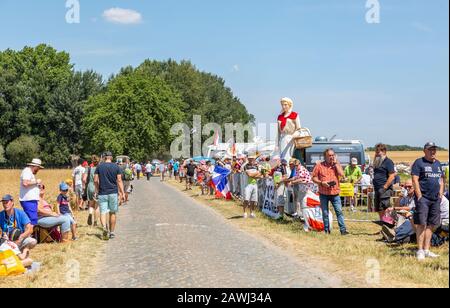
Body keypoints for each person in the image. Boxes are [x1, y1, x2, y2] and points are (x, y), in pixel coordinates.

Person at [411, 142, 445, 261]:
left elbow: (441, 179)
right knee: (421, 224)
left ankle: (426, 249)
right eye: (430, 150)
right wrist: (419, 196)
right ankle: (420, 250)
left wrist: (441, 193)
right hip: (423, 198)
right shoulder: (419, 163)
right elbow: (414, 180)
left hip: (435, 199)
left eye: (434, 149)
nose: (433, 152)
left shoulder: (438, 164)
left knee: (431, 225)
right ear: (424, 150)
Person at [312, 149, 348, 235]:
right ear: (325, 156)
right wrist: (321, 183)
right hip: (323, 193)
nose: (332, 157)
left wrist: (336, 164)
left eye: (333, 155)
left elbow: (342, 175)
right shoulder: (319, 165)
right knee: (325, 213)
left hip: (335, 193)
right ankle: (326, 231)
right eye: (330, 155)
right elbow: (313, 177)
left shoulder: (336, 164)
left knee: (339, 211)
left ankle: (343, 230)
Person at [94, 152, 125, 240]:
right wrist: (122, 192)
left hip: (102, 193)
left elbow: (95, 180)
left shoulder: (99, 166)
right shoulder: (116, 166)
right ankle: (111, 233)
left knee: (103, 212)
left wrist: (97, 190)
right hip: (113, 193)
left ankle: (104, 227)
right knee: (112, 212)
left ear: (104, 158)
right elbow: (119, 180)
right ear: (111, 157)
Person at [277, 97, 302, 172]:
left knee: (289, 157)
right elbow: (278, 132)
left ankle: (290, 174)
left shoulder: (294, 115)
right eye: (282, 105)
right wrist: (277, 143)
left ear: (289, 105)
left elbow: (299, 129)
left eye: (285, 105)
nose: (284, 106)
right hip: (282, 138)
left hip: (291, 138)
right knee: (283, 158)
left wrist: (292, 137)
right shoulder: (280, 116)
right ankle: (285, 173)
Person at [372, 144, 397, 220]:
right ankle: (382, 225)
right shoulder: (377, 162)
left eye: (378, 152)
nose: (376, 154)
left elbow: (392, 176)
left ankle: (388, 226)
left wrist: (385, 187)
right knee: (379, 208)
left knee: (385, 208)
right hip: (377, 188)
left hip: (384, 189)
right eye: (376, 152)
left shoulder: (388, 162)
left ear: (384, 152)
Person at [19, 158, 44, 226]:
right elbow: (25, 183)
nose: (38, 170)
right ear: (35, 166)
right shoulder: (27, 171)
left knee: (31, 219)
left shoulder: (29, 172)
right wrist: (36, 181)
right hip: (28, 200)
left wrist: (38, 186)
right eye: (38, 168)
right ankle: (29, 235)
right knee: (32, 220)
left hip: (30, 200)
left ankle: (29, 235)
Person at [242, 155, 262, 219]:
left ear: (254, 159)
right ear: (248, 159)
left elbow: (260, 175)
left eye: (252, 159)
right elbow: (249, 175)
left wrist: (255, 175)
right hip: (247, 185)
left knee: (253, 200)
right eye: (250, 159)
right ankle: (245, 212)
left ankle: (252, 213)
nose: (251, 160)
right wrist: (256, 173)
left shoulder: (256, 166)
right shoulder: (246, 166)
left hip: (255, 184)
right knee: (246, 199)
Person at [84, 155, 100, 227]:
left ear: (92, 161)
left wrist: (85, 186)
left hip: (90, 186)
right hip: (97, 187)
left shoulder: (88, 168)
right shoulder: (100, 168)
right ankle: (95, 222)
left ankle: (90, 213)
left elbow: (84, 179)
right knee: (97, 206)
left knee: (91, 204)